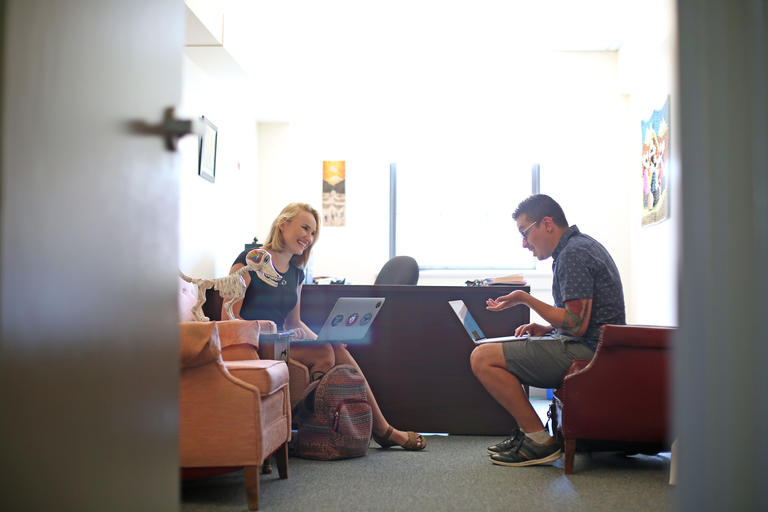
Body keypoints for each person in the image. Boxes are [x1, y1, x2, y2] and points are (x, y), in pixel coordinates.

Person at [230, 202, 425, 451]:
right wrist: (273, 332)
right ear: (283, 224)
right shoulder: (250, 260)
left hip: (283, 341)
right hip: (256, 343)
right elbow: (230, 316)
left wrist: (323, 337)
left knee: (334, 348)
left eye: (313, 233)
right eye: (304, 228)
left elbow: (294, 322)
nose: (308, 238)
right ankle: (359, 429)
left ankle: (383, 429)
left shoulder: (296, 273)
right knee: (324, 352)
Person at [470, 194, 625, 467]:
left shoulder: (574, 253)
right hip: (593, 346)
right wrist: (548, 327)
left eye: (525, 233)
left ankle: (538, 440)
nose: (524, 243)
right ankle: (528, 432)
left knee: (482, 357)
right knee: (490, 351)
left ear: (548, 224)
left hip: (590, 353)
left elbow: (577, 324)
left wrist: (525, 298)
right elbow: (580, 318)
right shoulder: (577, 248)